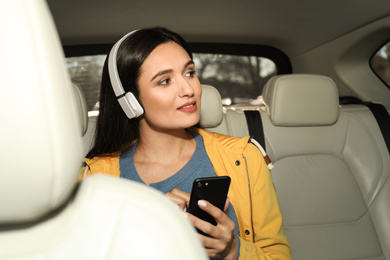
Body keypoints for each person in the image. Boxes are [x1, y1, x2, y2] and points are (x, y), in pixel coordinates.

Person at [80, 27, 291, 259]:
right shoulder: (93, 180)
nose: (189, 89)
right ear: (130, 101)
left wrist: (232, 250)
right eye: (165, 81)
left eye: (190, 73)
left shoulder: (245, 157)